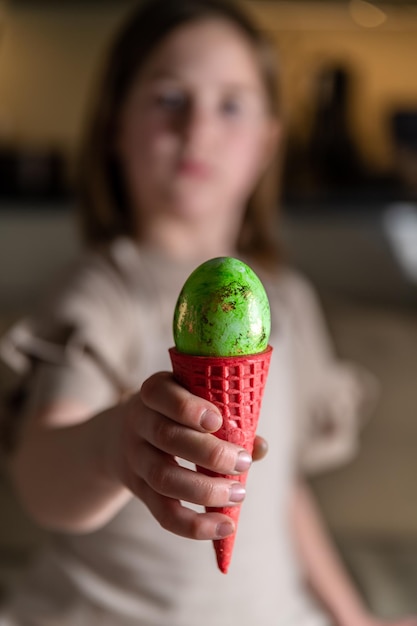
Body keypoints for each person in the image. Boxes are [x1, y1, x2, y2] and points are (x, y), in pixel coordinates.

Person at [0, 1, 415, 624]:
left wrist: (355, 618)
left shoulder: (290, 302)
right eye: (170, 99)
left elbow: (280, 495)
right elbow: (43, 478)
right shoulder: (103, 290)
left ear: (267, 142)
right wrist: (114, 447)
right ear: (115, 127)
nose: (199, 128)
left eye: (231, 104)